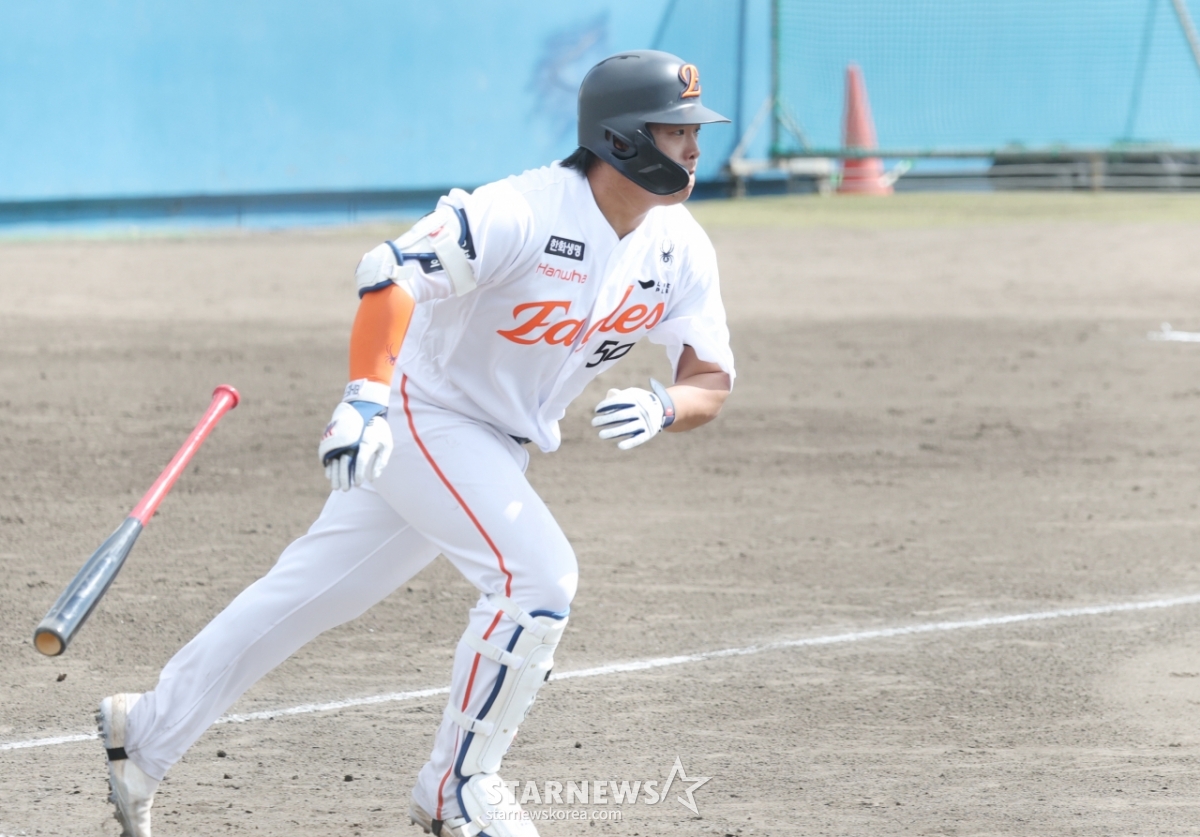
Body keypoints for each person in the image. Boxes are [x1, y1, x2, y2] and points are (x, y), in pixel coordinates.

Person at [97, 49, 735, 837]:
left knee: (308, 594)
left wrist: (666, 404)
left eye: (694, 131)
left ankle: (146, 732)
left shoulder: (679, 247)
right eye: (675, 130)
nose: (694, 147)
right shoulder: (525, 210)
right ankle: (456, 786)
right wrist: (364, 397)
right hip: (423, 415)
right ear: (623, 138)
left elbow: (710, 377)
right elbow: (390, 273)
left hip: (492, 444)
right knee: (538, 578)